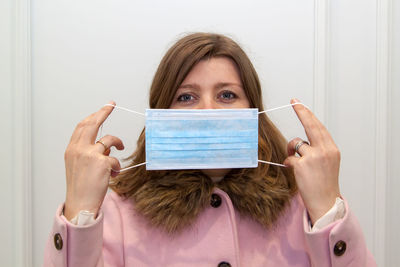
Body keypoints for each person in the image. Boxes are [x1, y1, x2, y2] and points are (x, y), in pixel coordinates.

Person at [44, 33, 376, 267]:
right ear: (162, 112)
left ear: (253, 109)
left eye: (227, 95)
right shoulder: (115, 213)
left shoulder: (302, 208)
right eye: (186, 97)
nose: (208, 111)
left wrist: (328, 208)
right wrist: (79, 210)